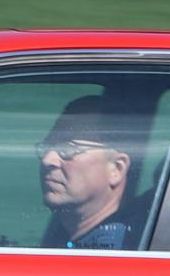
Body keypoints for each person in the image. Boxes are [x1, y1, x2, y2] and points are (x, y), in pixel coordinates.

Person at [37, 97, 149, 249]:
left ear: (116, 168)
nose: (47, 160)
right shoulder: (67, 236)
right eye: (47, 147)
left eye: (68, 149)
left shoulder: (120, 253)